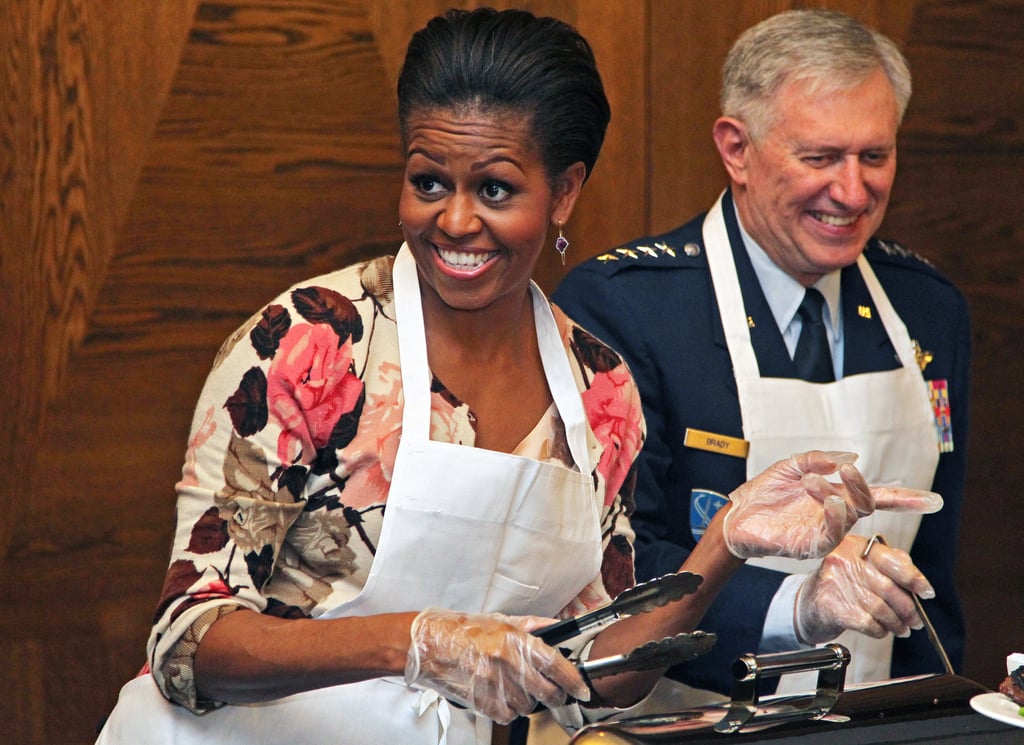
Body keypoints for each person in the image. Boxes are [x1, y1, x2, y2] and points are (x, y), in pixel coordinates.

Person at [94, 9, 943, 745]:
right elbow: (187, 638)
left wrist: (725, 545)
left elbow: (594, 673)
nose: (455, 219)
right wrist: (416, 641)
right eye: (429, 181)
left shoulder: (598, 387)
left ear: (565, 192)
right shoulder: (310, 342)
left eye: (496, 189)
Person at [553, 8, 970, 699]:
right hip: (687, 718)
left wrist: (942, 708)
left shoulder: (929, 308)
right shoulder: (626, 307)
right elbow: (619, 569)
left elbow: (935, 566)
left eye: (874, 156)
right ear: (736, 149)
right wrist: (796, 607)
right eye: (820, 157)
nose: (852, 191)